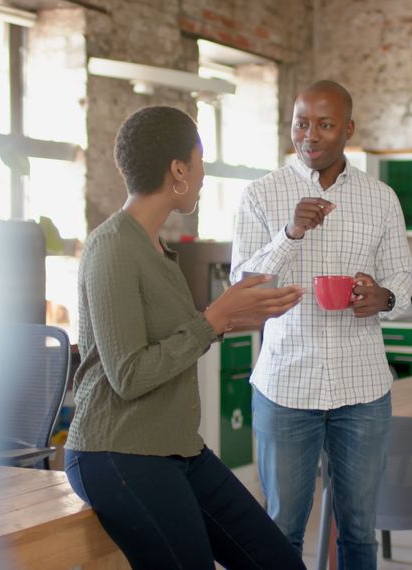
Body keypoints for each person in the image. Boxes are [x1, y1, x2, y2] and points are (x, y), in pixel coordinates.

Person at [63, 106, 307, 569]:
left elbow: (177, 337)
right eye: (200, 163)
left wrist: (234, 316)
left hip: (177, 448)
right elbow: (129, 375)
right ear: (178, 169)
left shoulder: (156, 248)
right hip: (118, 452)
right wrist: (213, 319)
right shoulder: (112, 246)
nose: (202, 176)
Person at [231, 80, 412, 567]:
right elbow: (243, 286)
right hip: (286, 384)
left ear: (348, 129)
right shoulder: (261, 195)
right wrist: (291, 232)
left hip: (363, 388)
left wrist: (383, 296)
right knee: (281, 531)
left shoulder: (381, 198)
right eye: (301, 123)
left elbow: (402, 277)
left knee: (358, 533)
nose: (309, 135)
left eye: (325, 124)